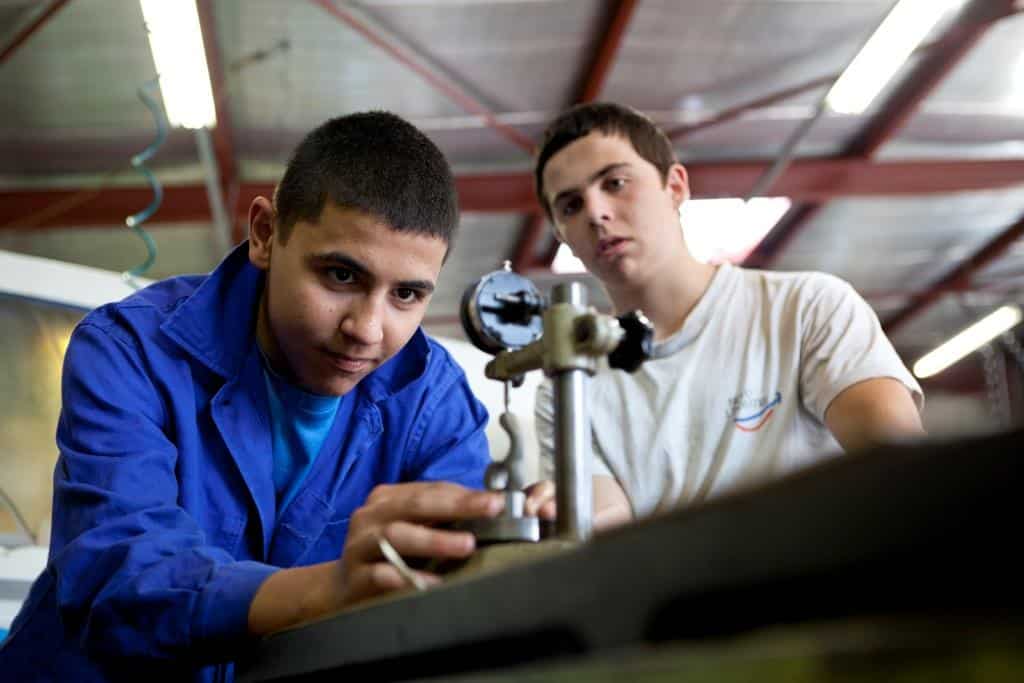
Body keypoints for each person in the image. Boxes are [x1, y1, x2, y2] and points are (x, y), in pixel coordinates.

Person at [0, 111, 527, 682]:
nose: (368, 330)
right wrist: (333, 587)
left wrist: (502, 542)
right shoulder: (130, 352)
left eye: (406, 294)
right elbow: (120, 577)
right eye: (341, 276)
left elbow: (451, 596)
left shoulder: (432, 399)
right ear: (266, 234)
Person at [532, 102, 925, 528]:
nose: (596, 212)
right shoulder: (570, 383)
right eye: (570, 206)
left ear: (676, 186)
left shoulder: (808, 308)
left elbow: (900, 467)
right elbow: (606, 523)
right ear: (560, 234)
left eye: (615, 182)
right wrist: (560, 511)